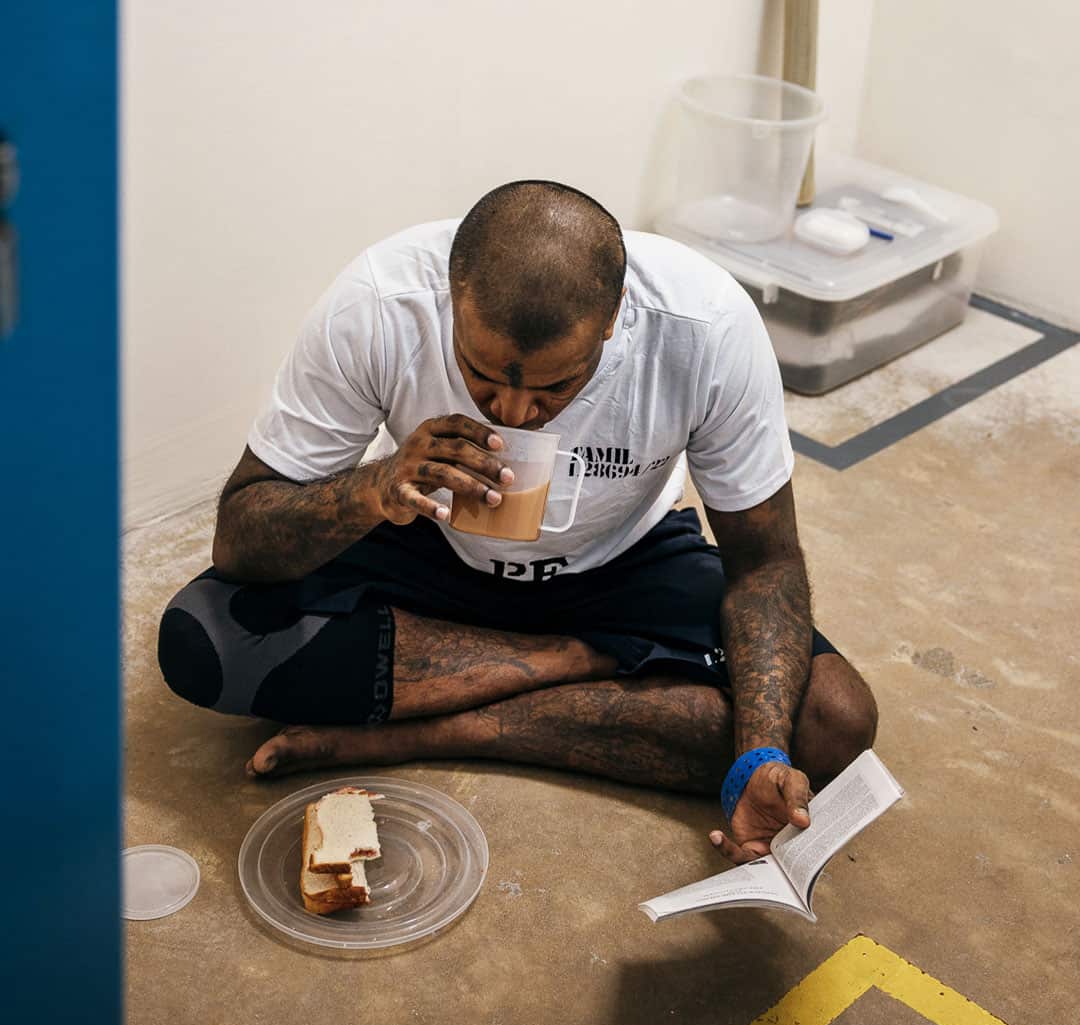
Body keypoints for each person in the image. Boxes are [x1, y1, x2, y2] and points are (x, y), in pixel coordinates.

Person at [157, 180, 877, 863]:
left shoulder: (706, 327)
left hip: (623, 561)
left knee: (833, 723)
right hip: (431, 540)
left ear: (614, 318)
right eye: (479, 372)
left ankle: (428, 731)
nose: (513, 413)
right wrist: (374, 488)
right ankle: (585, 659)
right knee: (204, 638)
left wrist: (758, 757)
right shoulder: (380, 303)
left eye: (556, 385)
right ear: (451, 301)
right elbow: (240, 535)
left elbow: (766, 564)